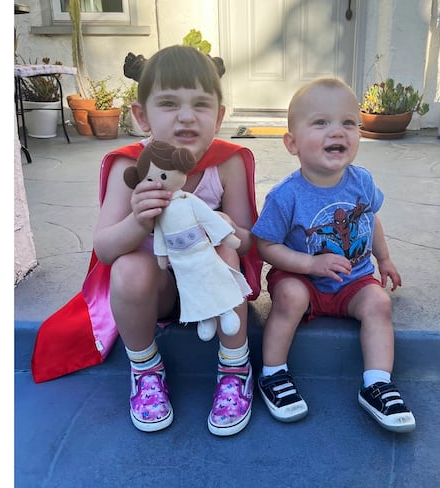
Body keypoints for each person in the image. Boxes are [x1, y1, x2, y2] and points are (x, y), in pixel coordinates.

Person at [62, 45, 264, 434]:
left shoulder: (227, 162)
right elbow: (104, 249)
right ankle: (146, 370)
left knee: (225, 250)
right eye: (169, 104)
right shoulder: (131, 165)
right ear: (141, 116)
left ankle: (235, 367)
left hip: (210, 290)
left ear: (219, 116)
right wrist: (139, 220)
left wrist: (221, 225)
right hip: (159, 291)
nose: (187, 117)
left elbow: (247, 241)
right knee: (127, 269)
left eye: (201, 105)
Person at [251, 78, 412, 433]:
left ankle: (377, 383)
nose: (336, 131)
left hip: (352, 281)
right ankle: (273, 373)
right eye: (320, 122)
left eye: (348, 123)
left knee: (379, 304)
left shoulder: (362, 182)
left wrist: (383, 259)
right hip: (302, 279)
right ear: (292, 143)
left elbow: (371, 219)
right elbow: (265, 246)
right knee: (290, 295)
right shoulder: (286, 196)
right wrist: (310, 264)